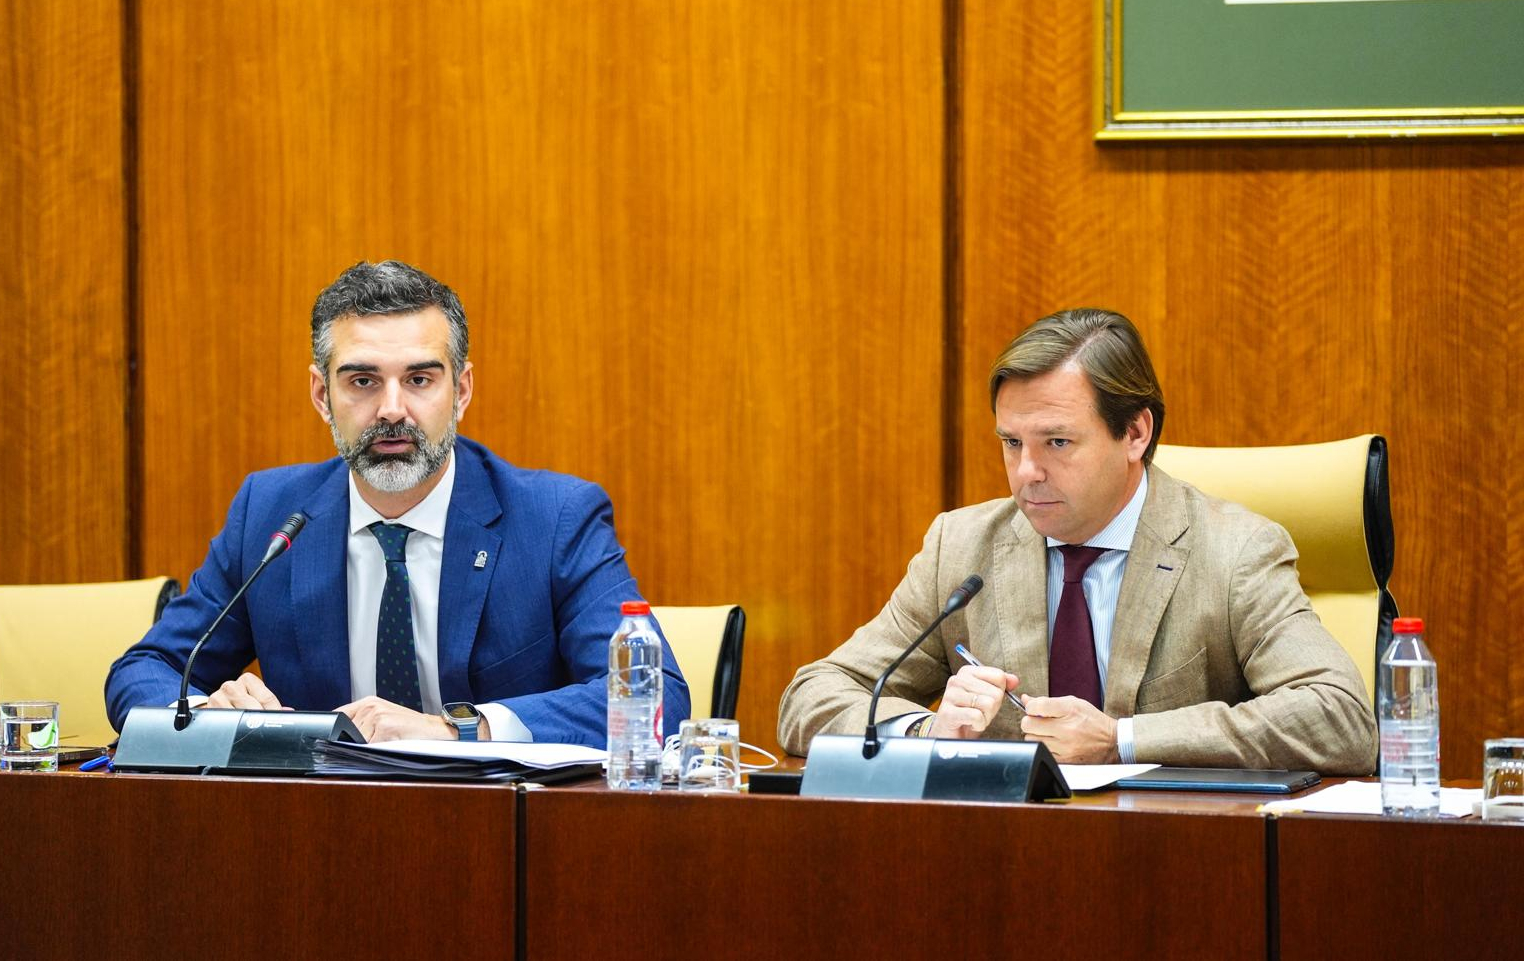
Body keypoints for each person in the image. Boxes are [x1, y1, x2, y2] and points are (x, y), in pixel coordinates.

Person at [106, 260, 688, 746]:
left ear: (460, 391)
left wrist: (461, 728)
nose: (390, 409)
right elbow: (142, 673)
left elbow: (653, 694)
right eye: (362, 380)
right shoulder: (272, 513)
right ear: (321, 394)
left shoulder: (555, 518)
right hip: (318, 837)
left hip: (504, 840)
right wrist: (205, 712)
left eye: (419, 380)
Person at [778, 308, 1376, 774]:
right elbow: (813, 697)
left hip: (1184, 859)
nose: (1025, 473)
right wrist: (925, 732)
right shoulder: (962, 547)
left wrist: (1123, 740)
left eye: (1056, 443)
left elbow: (1339, 718)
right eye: (1012, 443)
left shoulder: (1234, 550)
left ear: (1135, 432)